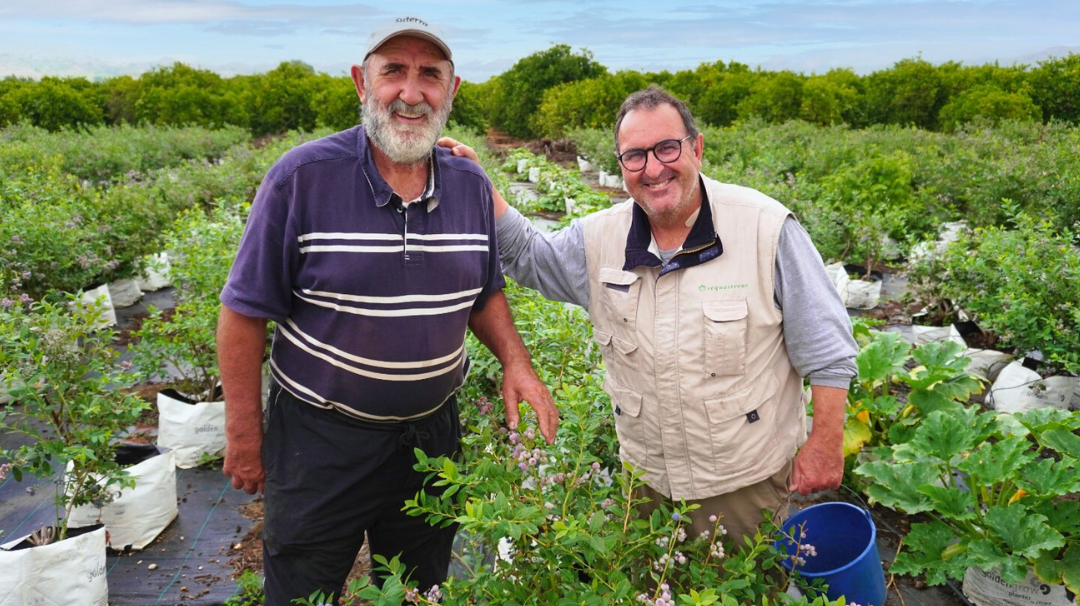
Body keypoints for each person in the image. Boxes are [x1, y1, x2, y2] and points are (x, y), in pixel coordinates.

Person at [216, 16, 558, 605]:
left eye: (430, 75)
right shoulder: (302, 179)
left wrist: (517, 363)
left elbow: (483, 292)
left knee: (417, 588)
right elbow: (244, 313)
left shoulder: (470, 185)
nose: (410, 92)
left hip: (431, 439)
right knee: (303, 589)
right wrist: (245, 434)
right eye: (393, 71)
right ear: (361, 82)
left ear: (452, 91)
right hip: (321, 440)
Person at [441, 85, 857, 548]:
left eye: (667, 148)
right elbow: (528, 255)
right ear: (621, 166)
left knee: (741, 591)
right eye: (635, 156)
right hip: (646, 482)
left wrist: (824, 443)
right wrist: (482, 185)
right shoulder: (599, 238)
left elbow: (827, 348)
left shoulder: (766, 228)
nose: (653, 169)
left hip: (743, 484)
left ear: (696, 148)